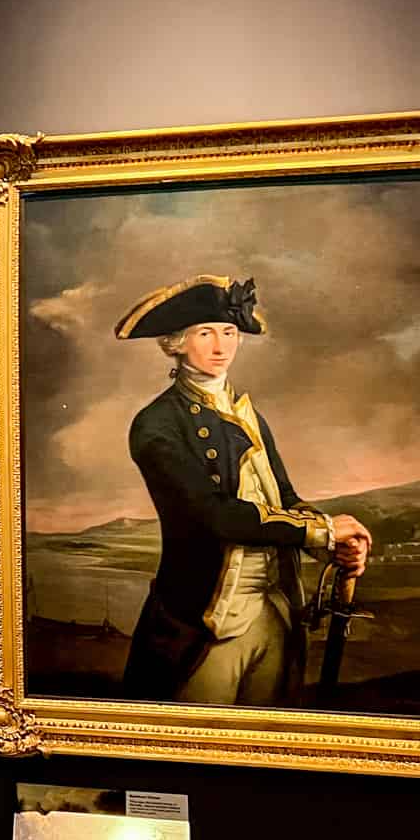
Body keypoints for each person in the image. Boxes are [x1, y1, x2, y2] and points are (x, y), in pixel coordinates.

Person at [114, 276, 369, 706]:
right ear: (176, 342)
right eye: (205, 333)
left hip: (275, 612)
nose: (221, 346)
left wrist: (334, 548)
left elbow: (284, 502)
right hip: (205, 622)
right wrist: (322, 531)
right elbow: (214, 515)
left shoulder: (250, 416)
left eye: (229, 333)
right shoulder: (155, 424)